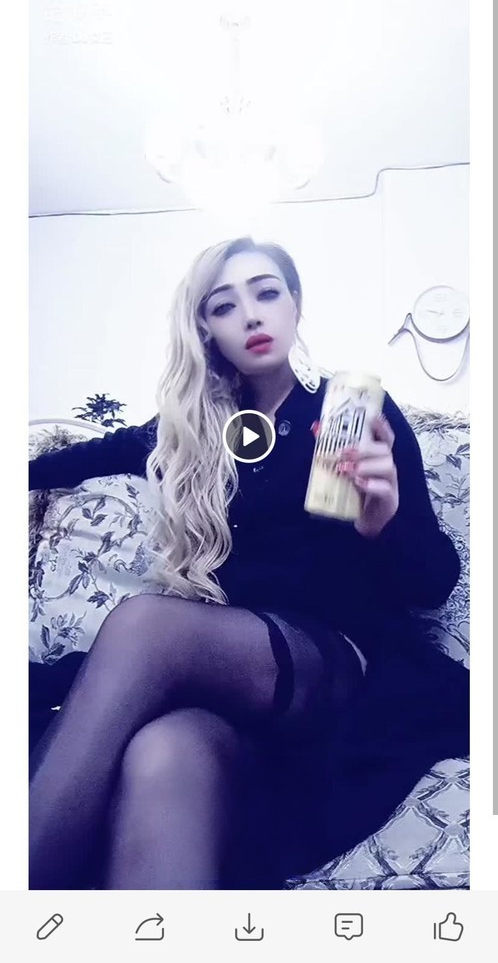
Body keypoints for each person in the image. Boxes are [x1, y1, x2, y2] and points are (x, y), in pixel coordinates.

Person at [29, 236, 469, 890]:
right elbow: (63, 461)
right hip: (234, 693)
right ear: (206, 328)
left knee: (146, 624)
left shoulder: (344, 409)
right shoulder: (191, 428)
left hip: (338, 666)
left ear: (295, 303)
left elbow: (432, 584)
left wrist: (382, 525)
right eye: (224, 305)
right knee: (162, 752)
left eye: (266, 292)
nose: (252, 315)